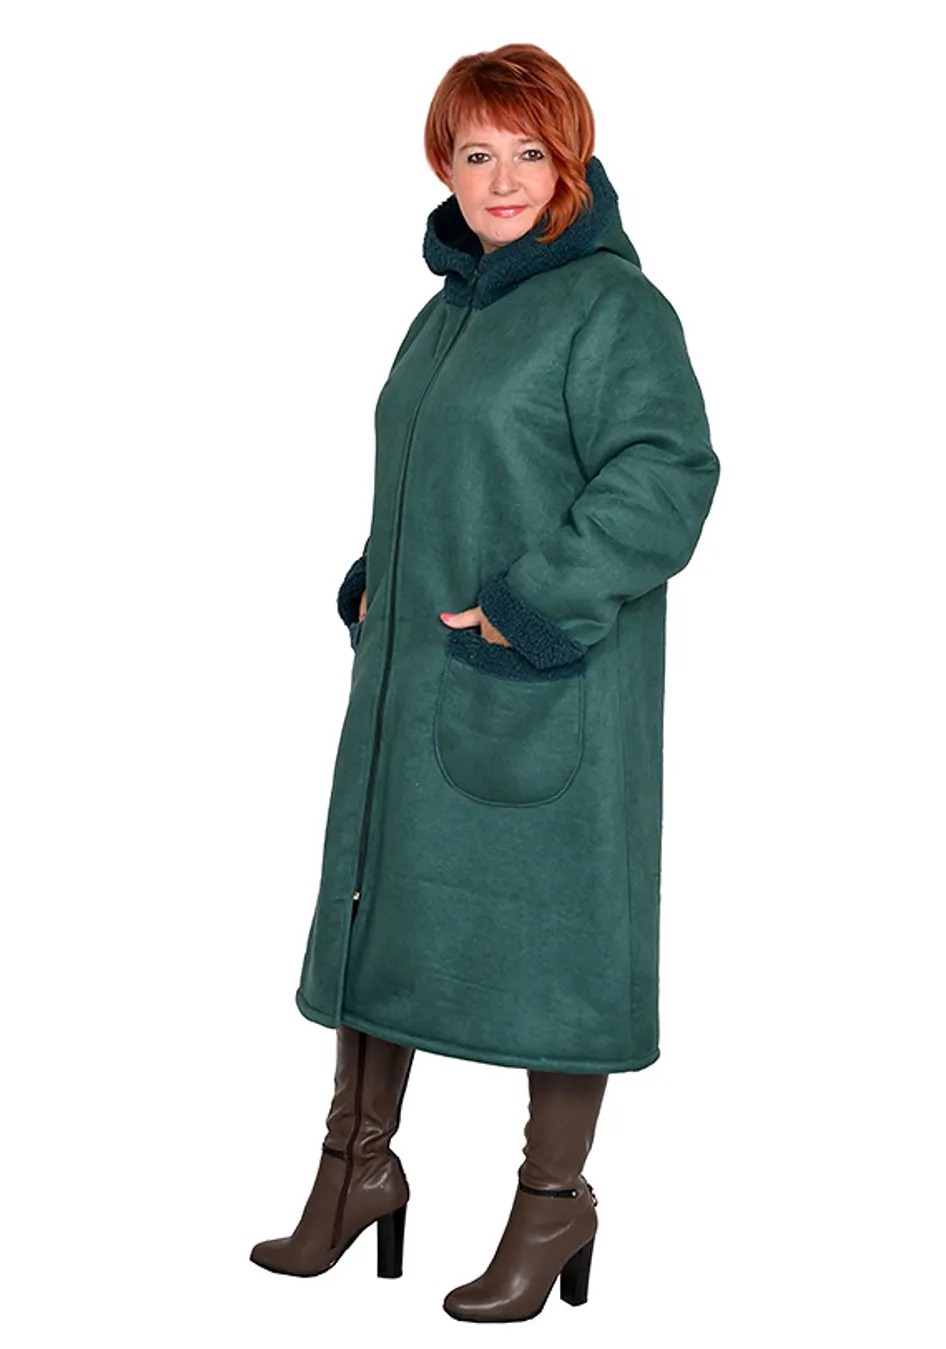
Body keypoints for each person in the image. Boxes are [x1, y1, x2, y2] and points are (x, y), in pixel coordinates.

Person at [250, 42, 720, 1322]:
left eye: (528, 152)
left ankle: (552, 1202)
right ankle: (357, 1168)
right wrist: (379, 575)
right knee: (381, 904)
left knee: (563, 945)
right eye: (475, 153)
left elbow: (664, 476)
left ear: (569, 164)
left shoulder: (612, 308)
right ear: (443, 166)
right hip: (416, 683)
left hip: (548, 694)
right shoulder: (448, 310)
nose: (502, 179)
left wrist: (527, 606)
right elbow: (441, 474)